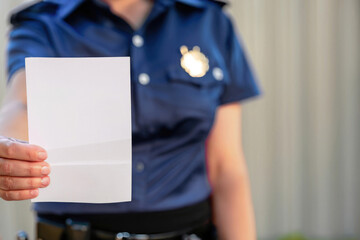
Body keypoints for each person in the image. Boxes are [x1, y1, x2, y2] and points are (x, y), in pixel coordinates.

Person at [0, 0, 260, 239]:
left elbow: (226, 166)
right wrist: (8, 149)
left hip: (188, 229)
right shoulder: (44, 24)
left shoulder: (208, 21)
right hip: (76, 231)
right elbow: (23, 102)